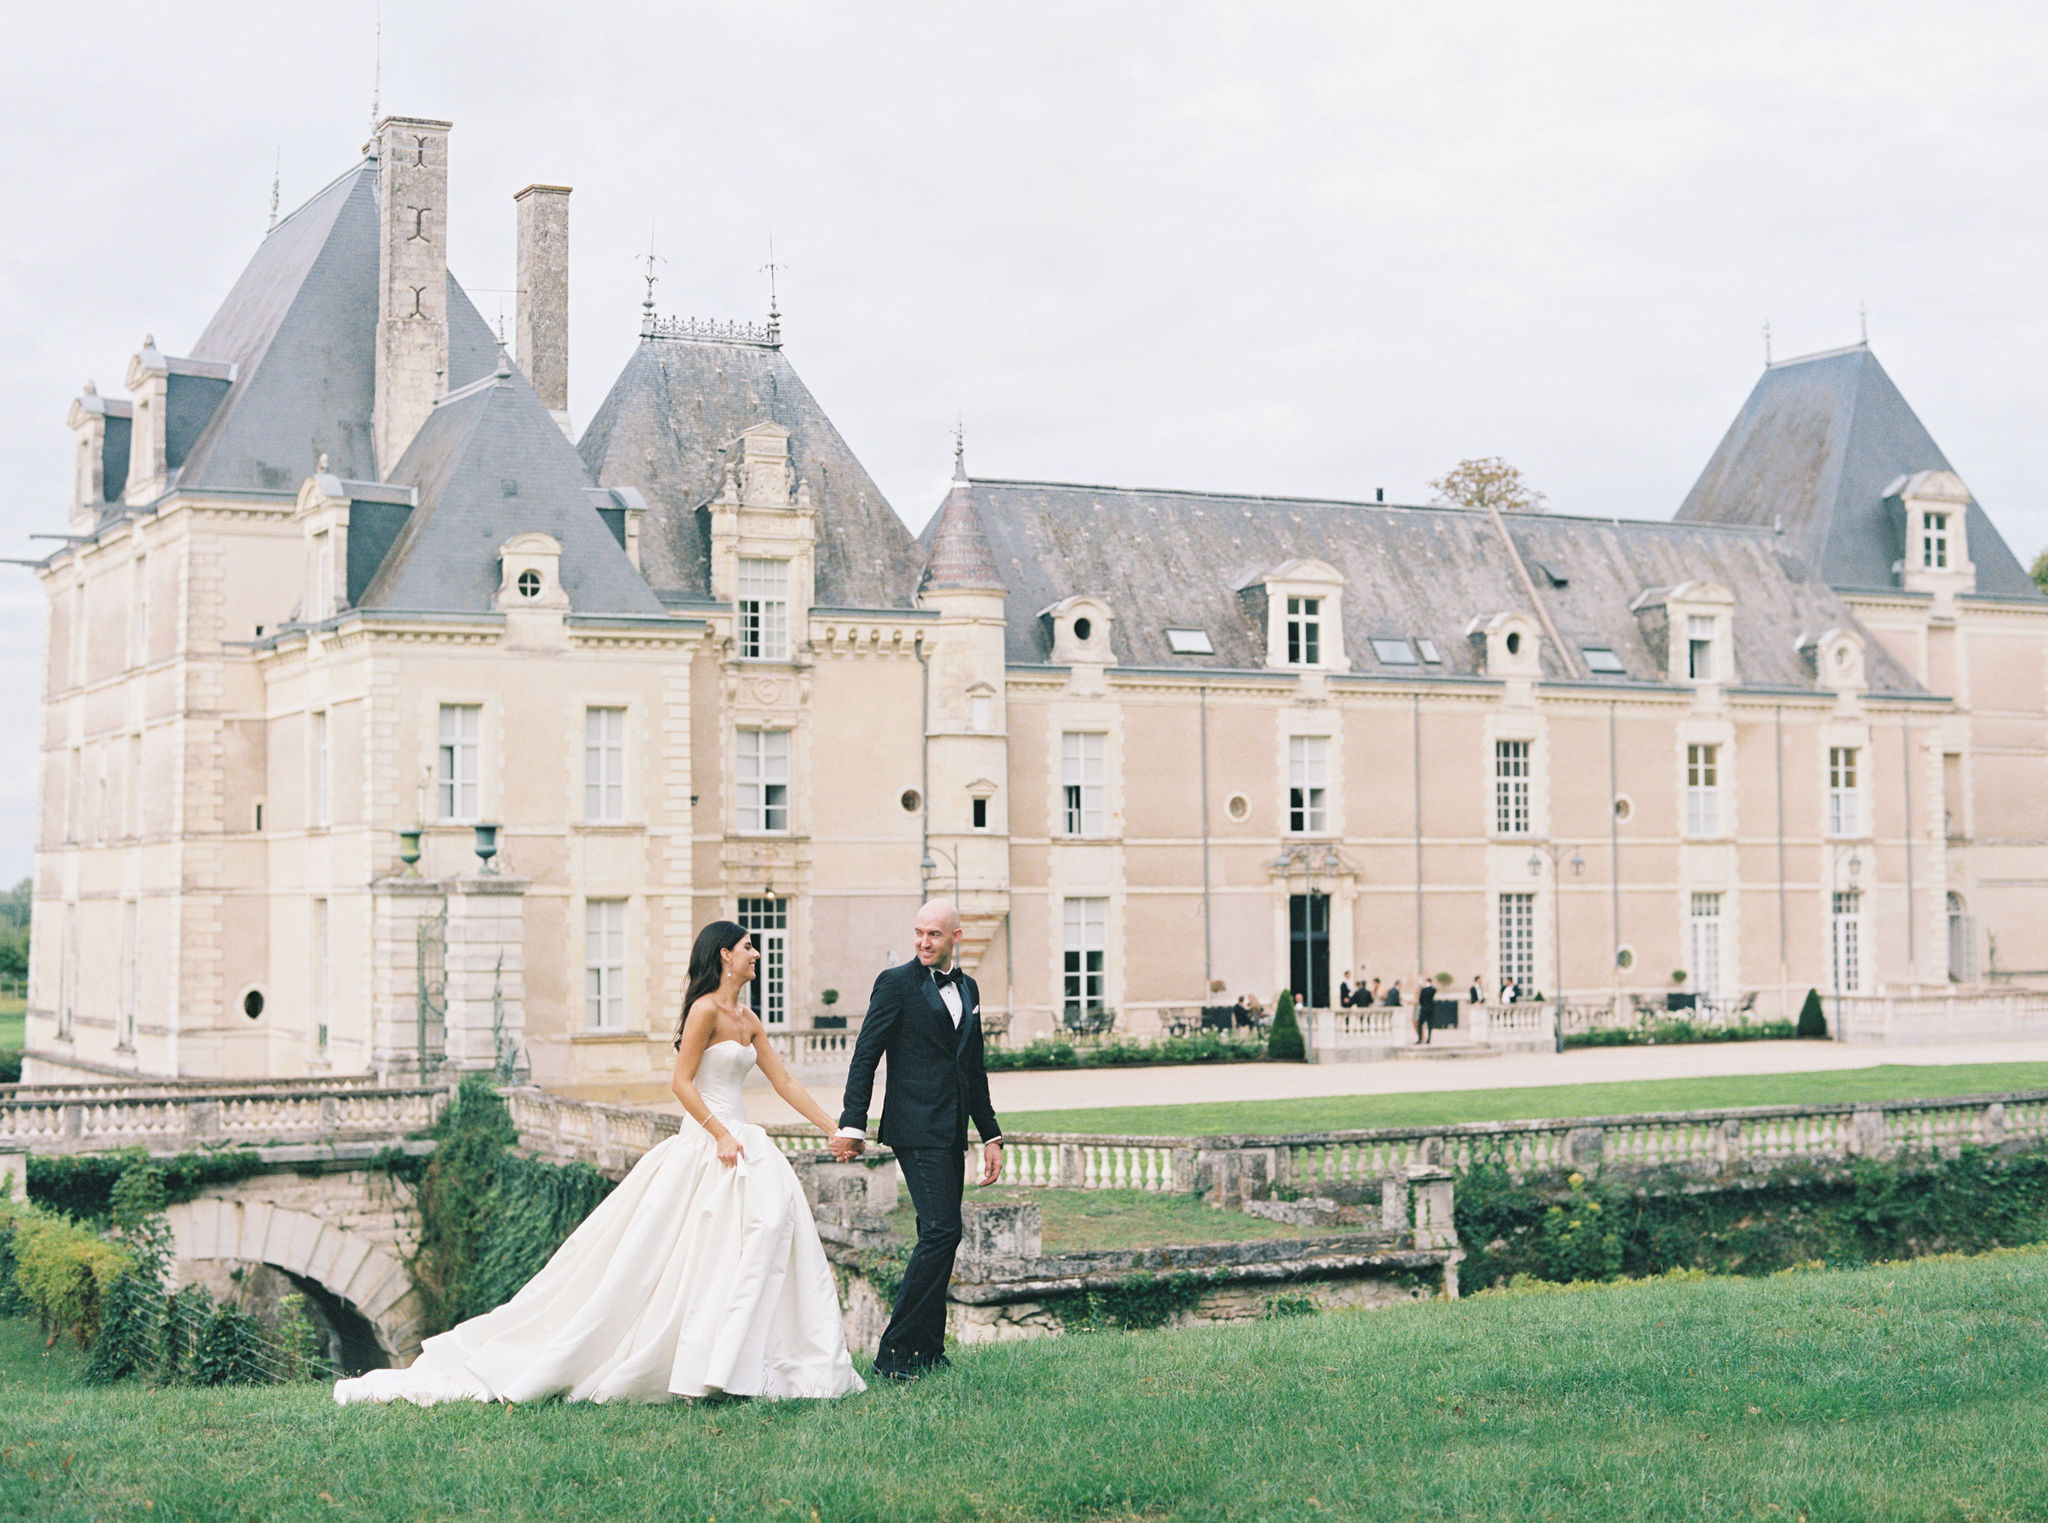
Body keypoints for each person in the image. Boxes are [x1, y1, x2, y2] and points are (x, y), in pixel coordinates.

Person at [334, 921, 864, 1406]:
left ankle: (745, 1364)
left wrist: (834, 1129)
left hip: (744, 1143)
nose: (757, 953)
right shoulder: (704, 1011)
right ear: (726, 955)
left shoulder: (749, 1018)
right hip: (708, 1143)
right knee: (681, 1256)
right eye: (749, 947)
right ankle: (686, 1367)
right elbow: (681, 1083)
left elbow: (784, 1081)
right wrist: (720, 1133)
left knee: (763, 1235)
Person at [832, 900, 1003, 1381]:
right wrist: (852, 1123)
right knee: (943, 1230)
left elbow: (973, 1067)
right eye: (918, 933)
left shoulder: (968, 987)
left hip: (952, 1130)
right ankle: (894, 1353)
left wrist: (990, 1133)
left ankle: (927, 1350)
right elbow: (865, 1056)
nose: (923, 942)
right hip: (914, 1128)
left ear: (955, 938)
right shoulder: (895, 983)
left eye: (933, 934)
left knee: (941, 1232)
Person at [1416, 978, 1436, 1044]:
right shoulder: (1433, 990)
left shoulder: (1423, 990)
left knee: (1420, 1024)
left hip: (1424, 1009)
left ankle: (1420, 1039)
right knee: (1430, 1024)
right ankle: (1429, 1039)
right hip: (1431, 1009)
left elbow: (1420, 999)